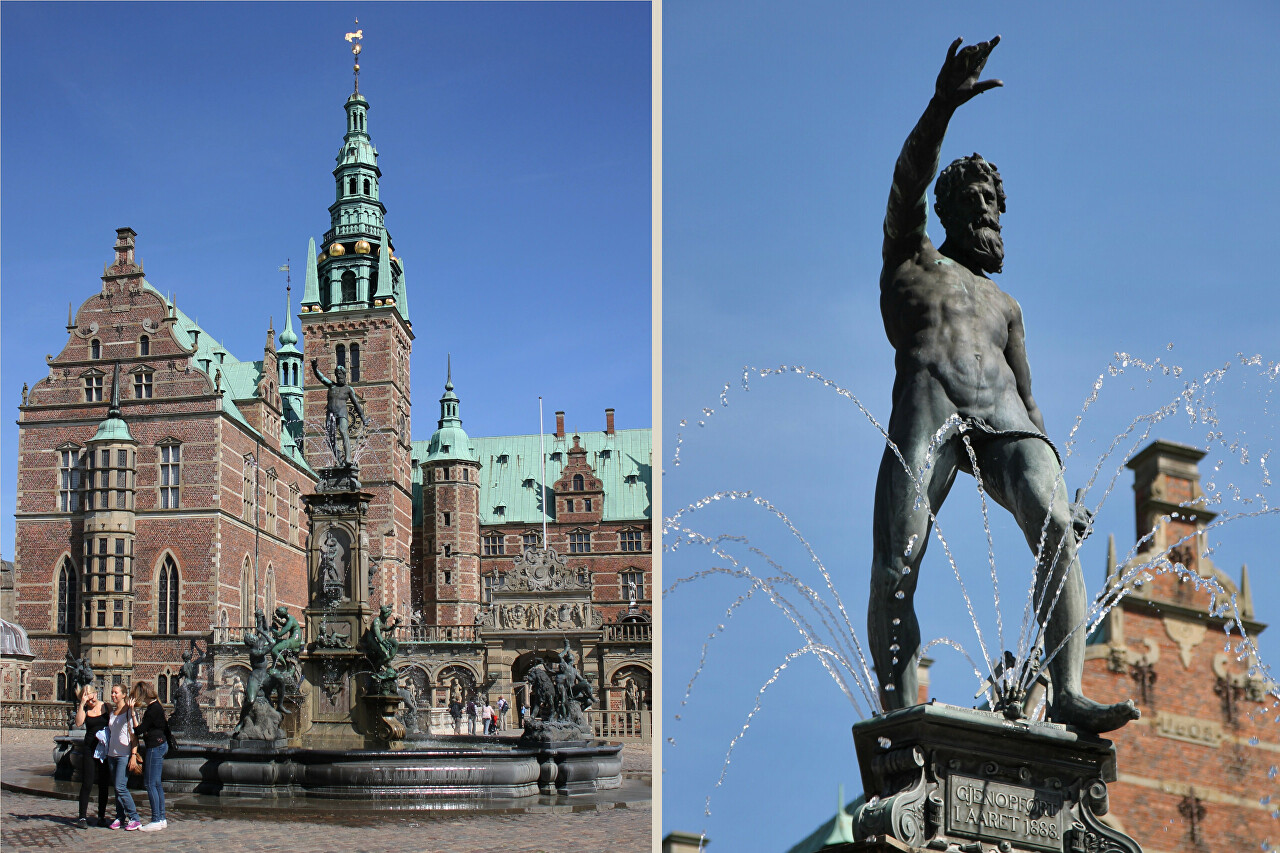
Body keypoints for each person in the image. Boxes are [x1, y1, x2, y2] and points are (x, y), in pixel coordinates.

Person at [869, 36, 1138, 733]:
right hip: (928, 413)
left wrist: (1057, 478)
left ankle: (1069, 687)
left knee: (1053, 528)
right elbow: (906, 179)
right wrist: (941, 107)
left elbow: (1031, 396)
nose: (993, 212)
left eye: (998, 202)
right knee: (898, 561)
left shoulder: (1006, 305)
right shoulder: (913, 259)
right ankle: (899, 709)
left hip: (1008, 422)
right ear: (953, 208)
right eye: (982, 200)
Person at [130, 680, 173, 831]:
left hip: (155, 747)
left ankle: (156, 819)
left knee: (149, 783)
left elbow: (139, 730)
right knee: (156, 784)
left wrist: (133, 714)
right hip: (160, 745)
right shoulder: (156, 707)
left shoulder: (153, 709)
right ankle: (161, 818)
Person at [72, 684, 112, 828]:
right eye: (87, 695)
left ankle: (101, 815)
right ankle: (82, 817)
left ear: (96, 693)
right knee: (87, 783)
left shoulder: (106, 707)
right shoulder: (85, 709)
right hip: (89, 748)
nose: (91, 698)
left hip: (103, 749)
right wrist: (82, 704)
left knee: (103, 783)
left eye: (92, 694)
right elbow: (78, 723)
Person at [104, 684, 141, 830]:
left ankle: (134, 817)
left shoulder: (129, 712)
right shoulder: (113, 712)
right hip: (112, 754)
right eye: (112, 692)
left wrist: (133, 755)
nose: (113, 695)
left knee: (120, 787)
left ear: (124, 695)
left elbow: (134, 736)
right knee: (118, 788)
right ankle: (120, 817)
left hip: (124, 754)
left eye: (116, 693)